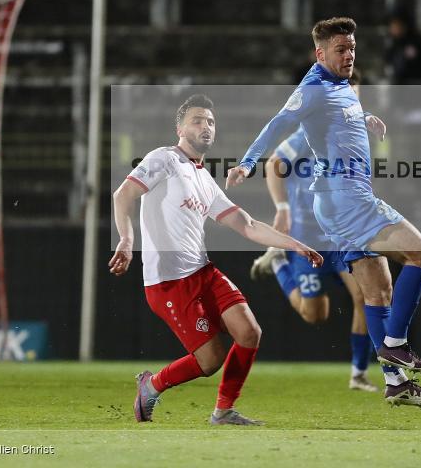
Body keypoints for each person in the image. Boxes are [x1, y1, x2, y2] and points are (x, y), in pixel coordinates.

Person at [226, 17, 421, 409]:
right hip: (347, 199)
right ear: (320, 53)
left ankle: (395, 384)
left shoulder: (341, 87)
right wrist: (247, 163)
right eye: (341, 50)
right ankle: (395, 345)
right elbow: (279, 124)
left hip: (339, 201)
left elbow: (334, 120)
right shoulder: (312, 87)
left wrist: (364, 119)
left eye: (352, 48)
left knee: (378, 291)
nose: (349, 55)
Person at [110, 94, 323, 425]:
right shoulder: (163, 158)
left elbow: (248, 226)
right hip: (169, 283)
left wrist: (295, 244)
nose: (206, 126)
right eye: (197, 120)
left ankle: (223, 411)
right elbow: (123, 194)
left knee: (249, 332)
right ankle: (151, 385)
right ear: (179, 127)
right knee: (210, 361)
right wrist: (126, 239)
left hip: (203, 273)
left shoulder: (204, 180)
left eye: (210, 121)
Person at [249, 74, 378, 393]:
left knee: (364, 294)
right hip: (306, 236)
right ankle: (279, 263)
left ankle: (358, 374)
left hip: (341, 236)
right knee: (315, 314)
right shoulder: (312, 131)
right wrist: (282, 207)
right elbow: (274, 163)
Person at [384, 11, 421, 85]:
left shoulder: (416, 43)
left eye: (397, 25)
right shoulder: (393, 44)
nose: (394, 28)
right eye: (392, 25)